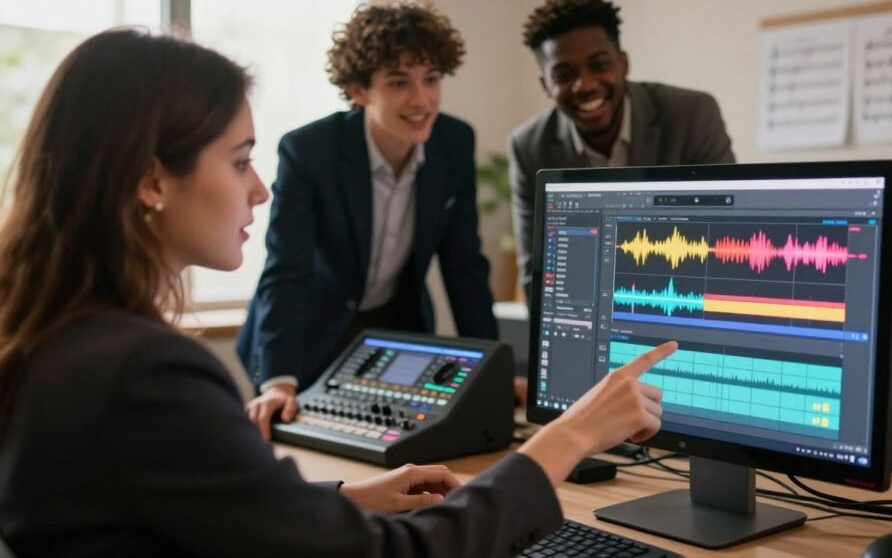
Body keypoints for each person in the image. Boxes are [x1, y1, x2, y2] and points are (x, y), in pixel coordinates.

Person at [0, 28, 677, 557]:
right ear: (152, 180)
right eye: (239, 162)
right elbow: (403, 554)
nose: (258, 189)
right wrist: (573, 433)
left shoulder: (54, 340)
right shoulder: (145, 374)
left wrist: (346, 497)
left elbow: (200, 504)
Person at [237, 0, 499, 437]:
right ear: (359, 90)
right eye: (399, 82)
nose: (421, 100)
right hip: (307, 336)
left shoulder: (453, 143)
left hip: (395, 336)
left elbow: (464, 266)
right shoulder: (309, 151)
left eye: (431, 79)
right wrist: (278, 379)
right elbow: (286, 272)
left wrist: (495, 368)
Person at [510, 0, 736, 296]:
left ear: (623, 63)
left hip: (680, 299)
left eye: (599, 65)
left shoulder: (691, 115)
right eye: (564, 74)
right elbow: (535, 272)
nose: (585, 85)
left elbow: (726, 236)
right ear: (545, 85)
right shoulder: (529, 147)